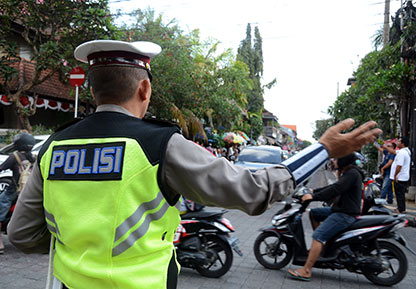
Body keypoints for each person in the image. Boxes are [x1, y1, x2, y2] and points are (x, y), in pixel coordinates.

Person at [7, 39, 381, 289]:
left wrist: (79, 246)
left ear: (91, 88)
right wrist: (323, 149)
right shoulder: (158, 143)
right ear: (144, 89)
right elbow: (254, 191)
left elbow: (22, 234)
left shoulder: (54, 146)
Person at [288, 153, 364, 281]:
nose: (334, 161)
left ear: (343, 160)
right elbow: (333, 187)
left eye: (336, 159)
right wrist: (315, 191)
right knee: (314, 213)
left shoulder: (352, 174)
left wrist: (313, 197)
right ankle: (320, 248)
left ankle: (306, 270)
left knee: (317, 236)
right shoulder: (348, 172)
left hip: (345, 214)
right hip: (340, 209)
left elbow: (336, 189)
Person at [0, 132, 35, 254]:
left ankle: (0, 243)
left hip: (13, 191)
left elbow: (2, 168)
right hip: (29, 191)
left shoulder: (14, 156)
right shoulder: (33, 157)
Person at [389, 136, 411, 213]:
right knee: (400, 193)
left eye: (399, 141)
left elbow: (399, 166)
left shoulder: (402, 153)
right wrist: (382, 146)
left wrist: (395, 175)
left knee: (399, 194)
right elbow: (393, 151)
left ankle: (401, 209)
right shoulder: (405, 151)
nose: (397, 142)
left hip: (400, 177)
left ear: (402, 144)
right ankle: (401, 208)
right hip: (402, 176)